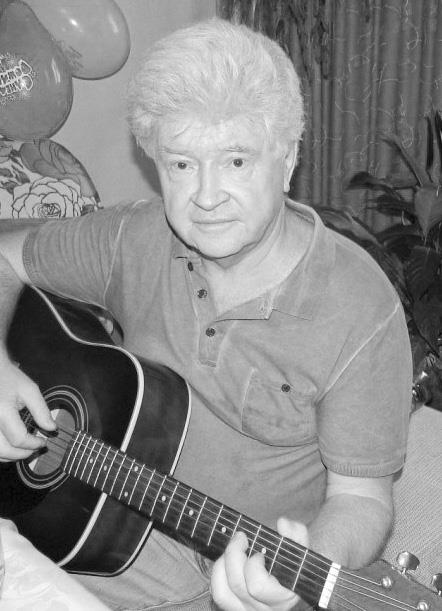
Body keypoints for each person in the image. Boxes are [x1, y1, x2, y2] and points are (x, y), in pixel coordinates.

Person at [0, 17, 412, 611]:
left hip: (233, 570)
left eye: (236, 161)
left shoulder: (360, 307)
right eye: (182, 165)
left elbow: (363, 500)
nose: (207, 196)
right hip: (91, 522)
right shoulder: (134, 237)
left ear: (288, 159)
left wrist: (301, 573)